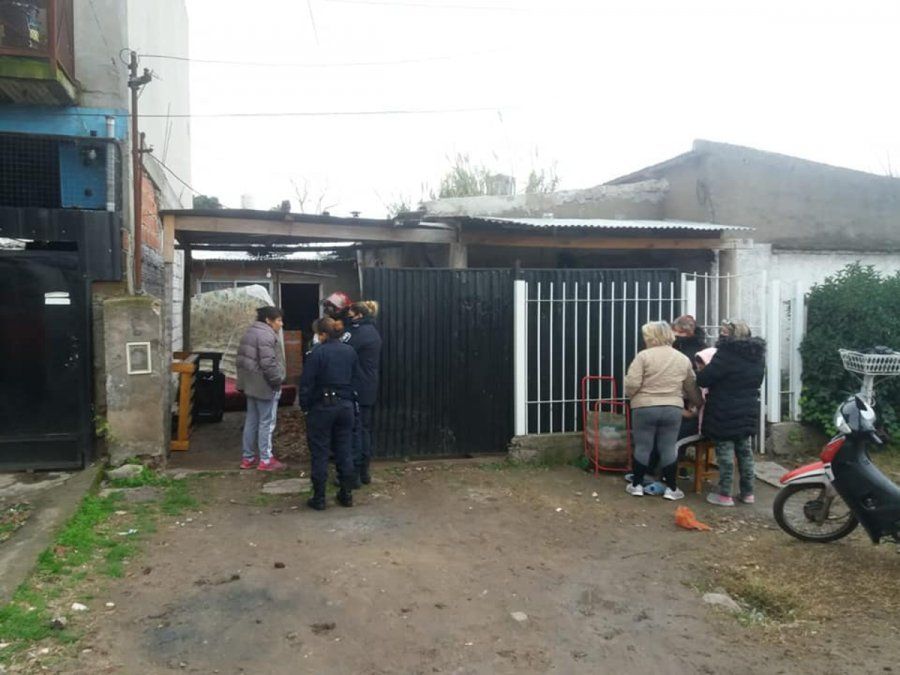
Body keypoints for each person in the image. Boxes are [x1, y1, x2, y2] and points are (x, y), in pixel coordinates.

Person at [625, 321, 702, 500]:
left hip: (644, 407)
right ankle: (672, 488)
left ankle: (636, 485)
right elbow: (691, 386)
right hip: (672, 408)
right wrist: (698, 403)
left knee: (643, 446)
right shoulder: (682, 358)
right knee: (668, 447)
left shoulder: (643, 356)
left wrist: (633, 396)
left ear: (651, 337)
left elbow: (632, 383)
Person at [696, 319, 766, 507]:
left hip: (723, 409)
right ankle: (748, 493)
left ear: (730, 336)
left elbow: (704, 379)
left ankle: (725, 494)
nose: (721, 335)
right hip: (748, 407)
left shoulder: (725, 354)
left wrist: (700, 371)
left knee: (725, 453)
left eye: (723, 332)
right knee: (745, 452)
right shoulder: (757, 355)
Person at [300, 316, 359, 511]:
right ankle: (346, 493)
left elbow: (307, 383)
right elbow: (355, 377)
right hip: (346, 407)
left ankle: (319, 497)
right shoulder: (350, 351)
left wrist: (305, 406)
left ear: (323, 334)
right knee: (344, 449)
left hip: (323, 407)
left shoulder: (316, 353)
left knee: (320, 451)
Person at [236, 306, 287, 471]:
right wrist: (277, 382)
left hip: (250, 384)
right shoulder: (266, 335)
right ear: (268, 320)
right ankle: (266, 460)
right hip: (264, 385)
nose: (281, 323)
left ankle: (248, 458)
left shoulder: (250, 331)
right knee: (267, 422)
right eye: (278, 320)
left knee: (251, 420)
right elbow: (268, 364)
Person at [346, 301, 382, 486]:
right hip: (367, 386)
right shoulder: (370, 330)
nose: (347, 315)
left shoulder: (359, 332)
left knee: (356, 431)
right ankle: (364, 472)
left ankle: (355, 474)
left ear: (358, 314)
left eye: (350, 312)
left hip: (358, 387)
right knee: (364, 429)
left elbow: (343, 348)